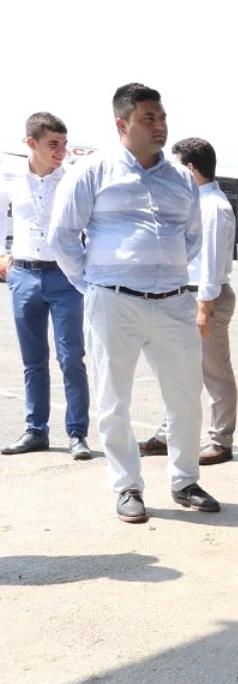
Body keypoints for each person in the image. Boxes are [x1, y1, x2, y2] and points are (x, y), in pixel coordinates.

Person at [49, 82, 220, 523]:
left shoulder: (181, 178)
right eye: (149, 118)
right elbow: (63, 237)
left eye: (162, 117)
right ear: (122, 123)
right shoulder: (93, 171)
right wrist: (94, 286)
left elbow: (193, 239)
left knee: (185, 398)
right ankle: (127, 486)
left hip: (173, 304)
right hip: (114, 303)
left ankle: (184, 480)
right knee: (113, 401)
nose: (160, 125)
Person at [139, 138, 238, 466]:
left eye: (178, 165)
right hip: (186, 294)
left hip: (205, 296)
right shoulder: (195, 203)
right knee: (180, 370)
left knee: (214, 372)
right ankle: (170, 433)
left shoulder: (214, 208)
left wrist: (204, 308)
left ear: (191, 168)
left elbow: (210, 263)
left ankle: (221, 442)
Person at [0, 113, 91, 460]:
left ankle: (77, 433)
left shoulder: (72, 179)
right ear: (31, 143)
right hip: (23, 275)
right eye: (54, 144)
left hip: (65, 278)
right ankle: (35, 430)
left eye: (64, 144)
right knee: (33, 360)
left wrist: (87, 267)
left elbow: (90, 224)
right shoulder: (10, 176)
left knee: (71, 357)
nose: (61, 151)